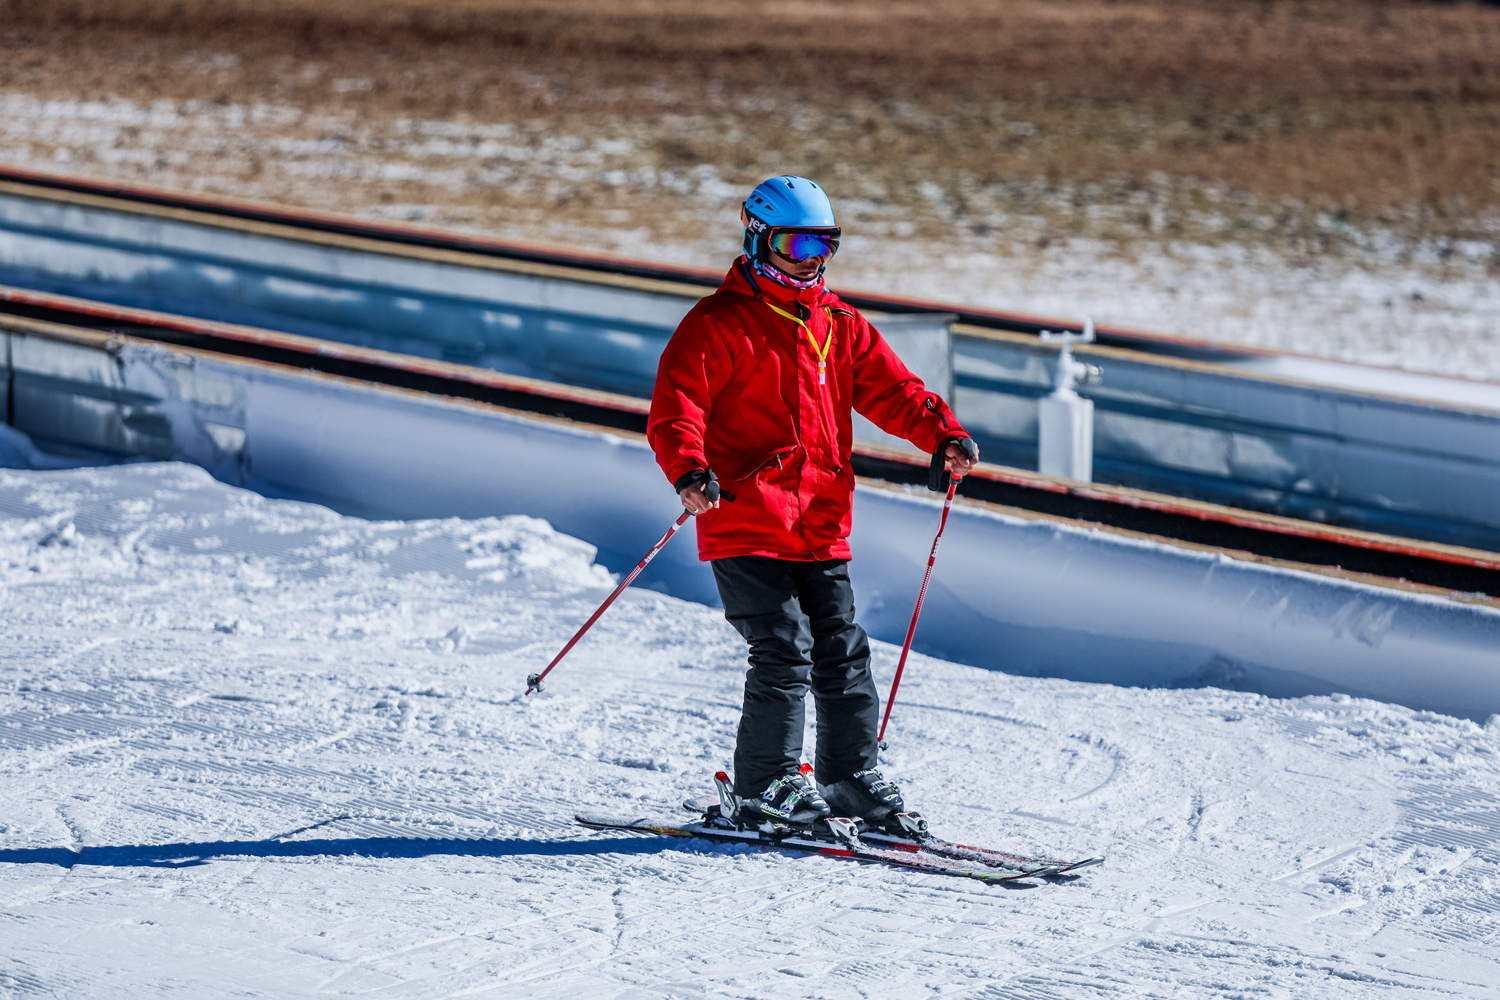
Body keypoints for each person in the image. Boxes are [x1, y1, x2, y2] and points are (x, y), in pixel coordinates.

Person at [647, 175, 979, 831]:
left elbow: (895, 393)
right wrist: (690, 471)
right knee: (782, 646)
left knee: (841, 648)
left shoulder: (840, 326)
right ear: (758, 238)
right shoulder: (719, 324)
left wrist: (941, 433)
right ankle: (764, 784)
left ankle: (848, 776)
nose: (812, 258)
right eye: (797, 242)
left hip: (820, 524)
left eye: (824, 243)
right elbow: (676, 409)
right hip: (744, 519)